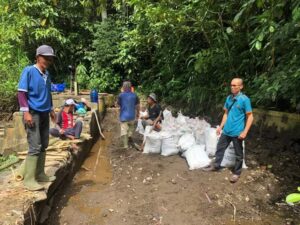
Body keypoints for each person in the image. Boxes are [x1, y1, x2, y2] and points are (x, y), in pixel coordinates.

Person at [17, 45, 56, 191]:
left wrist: (51, 109)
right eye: (45, 58)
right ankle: (29, 179)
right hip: (32, 113)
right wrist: (26, 112)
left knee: (44, 143)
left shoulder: (47, 74)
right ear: (38, 57)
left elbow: (48, 93)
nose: (48, 61)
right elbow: (21, 93)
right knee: (35, 145)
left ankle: (40, 174)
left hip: (45, 112)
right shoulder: (29, 71)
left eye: (50, 59)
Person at [203, 78, 254, 183]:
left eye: (235, 85)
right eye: (231, 85)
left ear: (241, 86)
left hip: (237, 132)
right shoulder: (229, 98)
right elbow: (226, 114)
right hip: (226, 131)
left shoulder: (245, 99)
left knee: (239, 154)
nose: (232, 87)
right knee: (219, 149)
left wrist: (245, 132)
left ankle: (237, 173)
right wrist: (220, 127)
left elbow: (250, 117)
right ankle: (216, 166)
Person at [118, 81, 140, 149]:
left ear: (124, 87)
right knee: (131, 127)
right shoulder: (135, 95)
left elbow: (119, 104)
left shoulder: (121, 95)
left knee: (124, 131)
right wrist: (138, 113)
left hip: (124, 116)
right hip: (132, 116)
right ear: (131, 87)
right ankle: (130, 135)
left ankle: (125, 145)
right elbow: (137, 105)